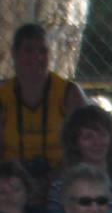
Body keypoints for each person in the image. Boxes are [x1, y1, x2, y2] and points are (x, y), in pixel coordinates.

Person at [0, 23, 88, 194]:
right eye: (29, 50)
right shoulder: (3, 96)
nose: (37, 57)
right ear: (15, 54)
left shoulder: (68, 93)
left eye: (43, 51)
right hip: (12, 179)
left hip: (62, 177)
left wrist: (50, 179)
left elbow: (82, 148)